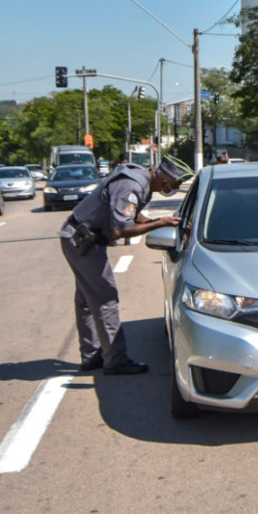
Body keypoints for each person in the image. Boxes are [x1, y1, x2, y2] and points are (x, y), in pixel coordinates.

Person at [59, 156, 191, 374]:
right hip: (83, 241)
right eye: (174, 185)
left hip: (79, 237)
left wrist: (158, 223)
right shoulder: (132, 184)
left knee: (86, 300)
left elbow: (130, 214)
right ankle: (116, 360)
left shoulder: (141, 179)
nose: (173, 189)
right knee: (105, 299)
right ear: (166, 179)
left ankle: (91, 355)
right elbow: (120, 230)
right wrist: (159, 223)